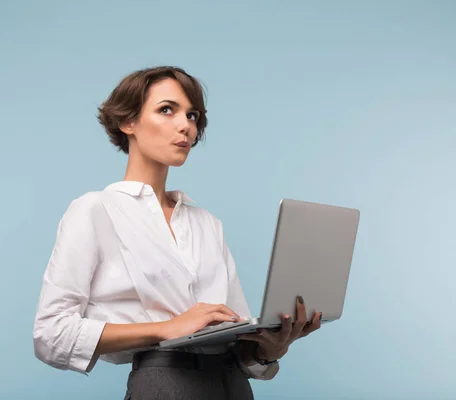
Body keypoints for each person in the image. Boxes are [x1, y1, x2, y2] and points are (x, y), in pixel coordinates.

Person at [33, 66, 323, 399]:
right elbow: (50, 332)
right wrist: (166, 329)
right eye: (166, 110)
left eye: (193, 115)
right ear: (128, 122)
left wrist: (269, 348)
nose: (185, 125)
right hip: (164, 384)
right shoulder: (95, 210)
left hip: (233, 387)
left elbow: (237, 343)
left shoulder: (207, 223)